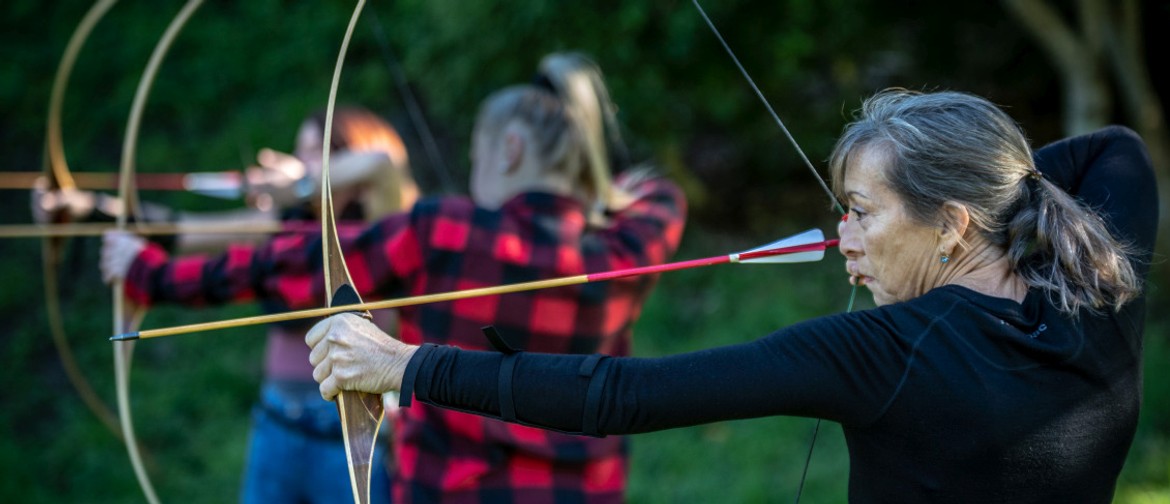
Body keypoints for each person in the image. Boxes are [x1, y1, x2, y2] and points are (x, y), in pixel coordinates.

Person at [305, 89, 1157, 502]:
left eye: (860, 214)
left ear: (951, 224)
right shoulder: (1097, 282)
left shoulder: (888, 353)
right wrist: (1003, 199)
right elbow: (1114, 148)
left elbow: (621, 395)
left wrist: (407, 363)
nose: (842, 240)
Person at [110, 52, 687, 503]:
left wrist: (147, 273)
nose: (472, 174)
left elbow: (292, 265)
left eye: (477, 154)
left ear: (509, 149)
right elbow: (651, 192)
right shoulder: (629, 246)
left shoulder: (448, 231)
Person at [98, 106, 415, 504]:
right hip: (276, 424)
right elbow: (182, 230)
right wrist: (89, 209)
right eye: (299, 151)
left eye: (318, 150)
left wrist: (300, 183)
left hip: (352, 439)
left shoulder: (386, 228)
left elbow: (381, 165)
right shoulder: (286, 227)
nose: (302, 160)